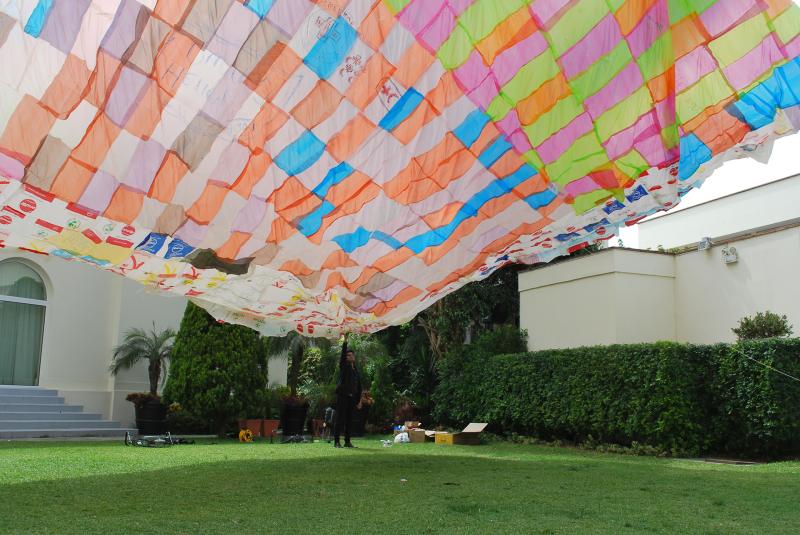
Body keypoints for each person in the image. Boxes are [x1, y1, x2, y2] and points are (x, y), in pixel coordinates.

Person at [334, 333, 361, 448]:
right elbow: (342, 356)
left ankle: (347, 441)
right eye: (347, 355)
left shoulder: (355, 369)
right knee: (340, 419)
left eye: (350, 355)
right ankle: (336, 442)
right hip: (343, 396)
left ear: (353, 357)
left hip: (352, 398)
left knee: (350, 420)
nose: (348, 357)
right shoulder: (344, 367)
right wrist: (345, 341)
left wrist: (359, 400)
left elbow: (359, 385)